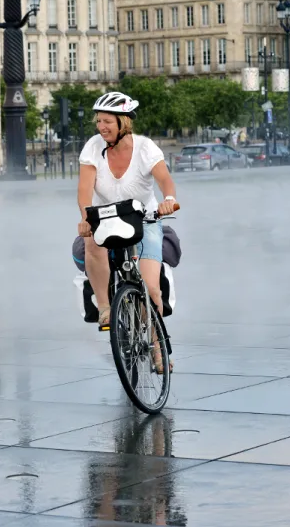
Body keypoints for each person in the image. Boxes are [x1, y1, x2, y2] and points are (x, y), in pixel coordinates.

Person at [76, 92, 178, 371]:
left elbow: (165, 179)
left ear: (124, 123)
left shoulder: (145, 148)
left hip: (144, 219)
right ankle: (105, 307)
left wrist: (168, 200)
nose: (102, 127)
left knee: (152, 291)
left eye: (107, 121)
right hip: (105, 219)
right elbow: (85, 189)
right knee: (92, 245)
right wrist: (86, 218)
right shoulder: (93, 147)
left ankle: (158, 348)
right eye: (99, 121)